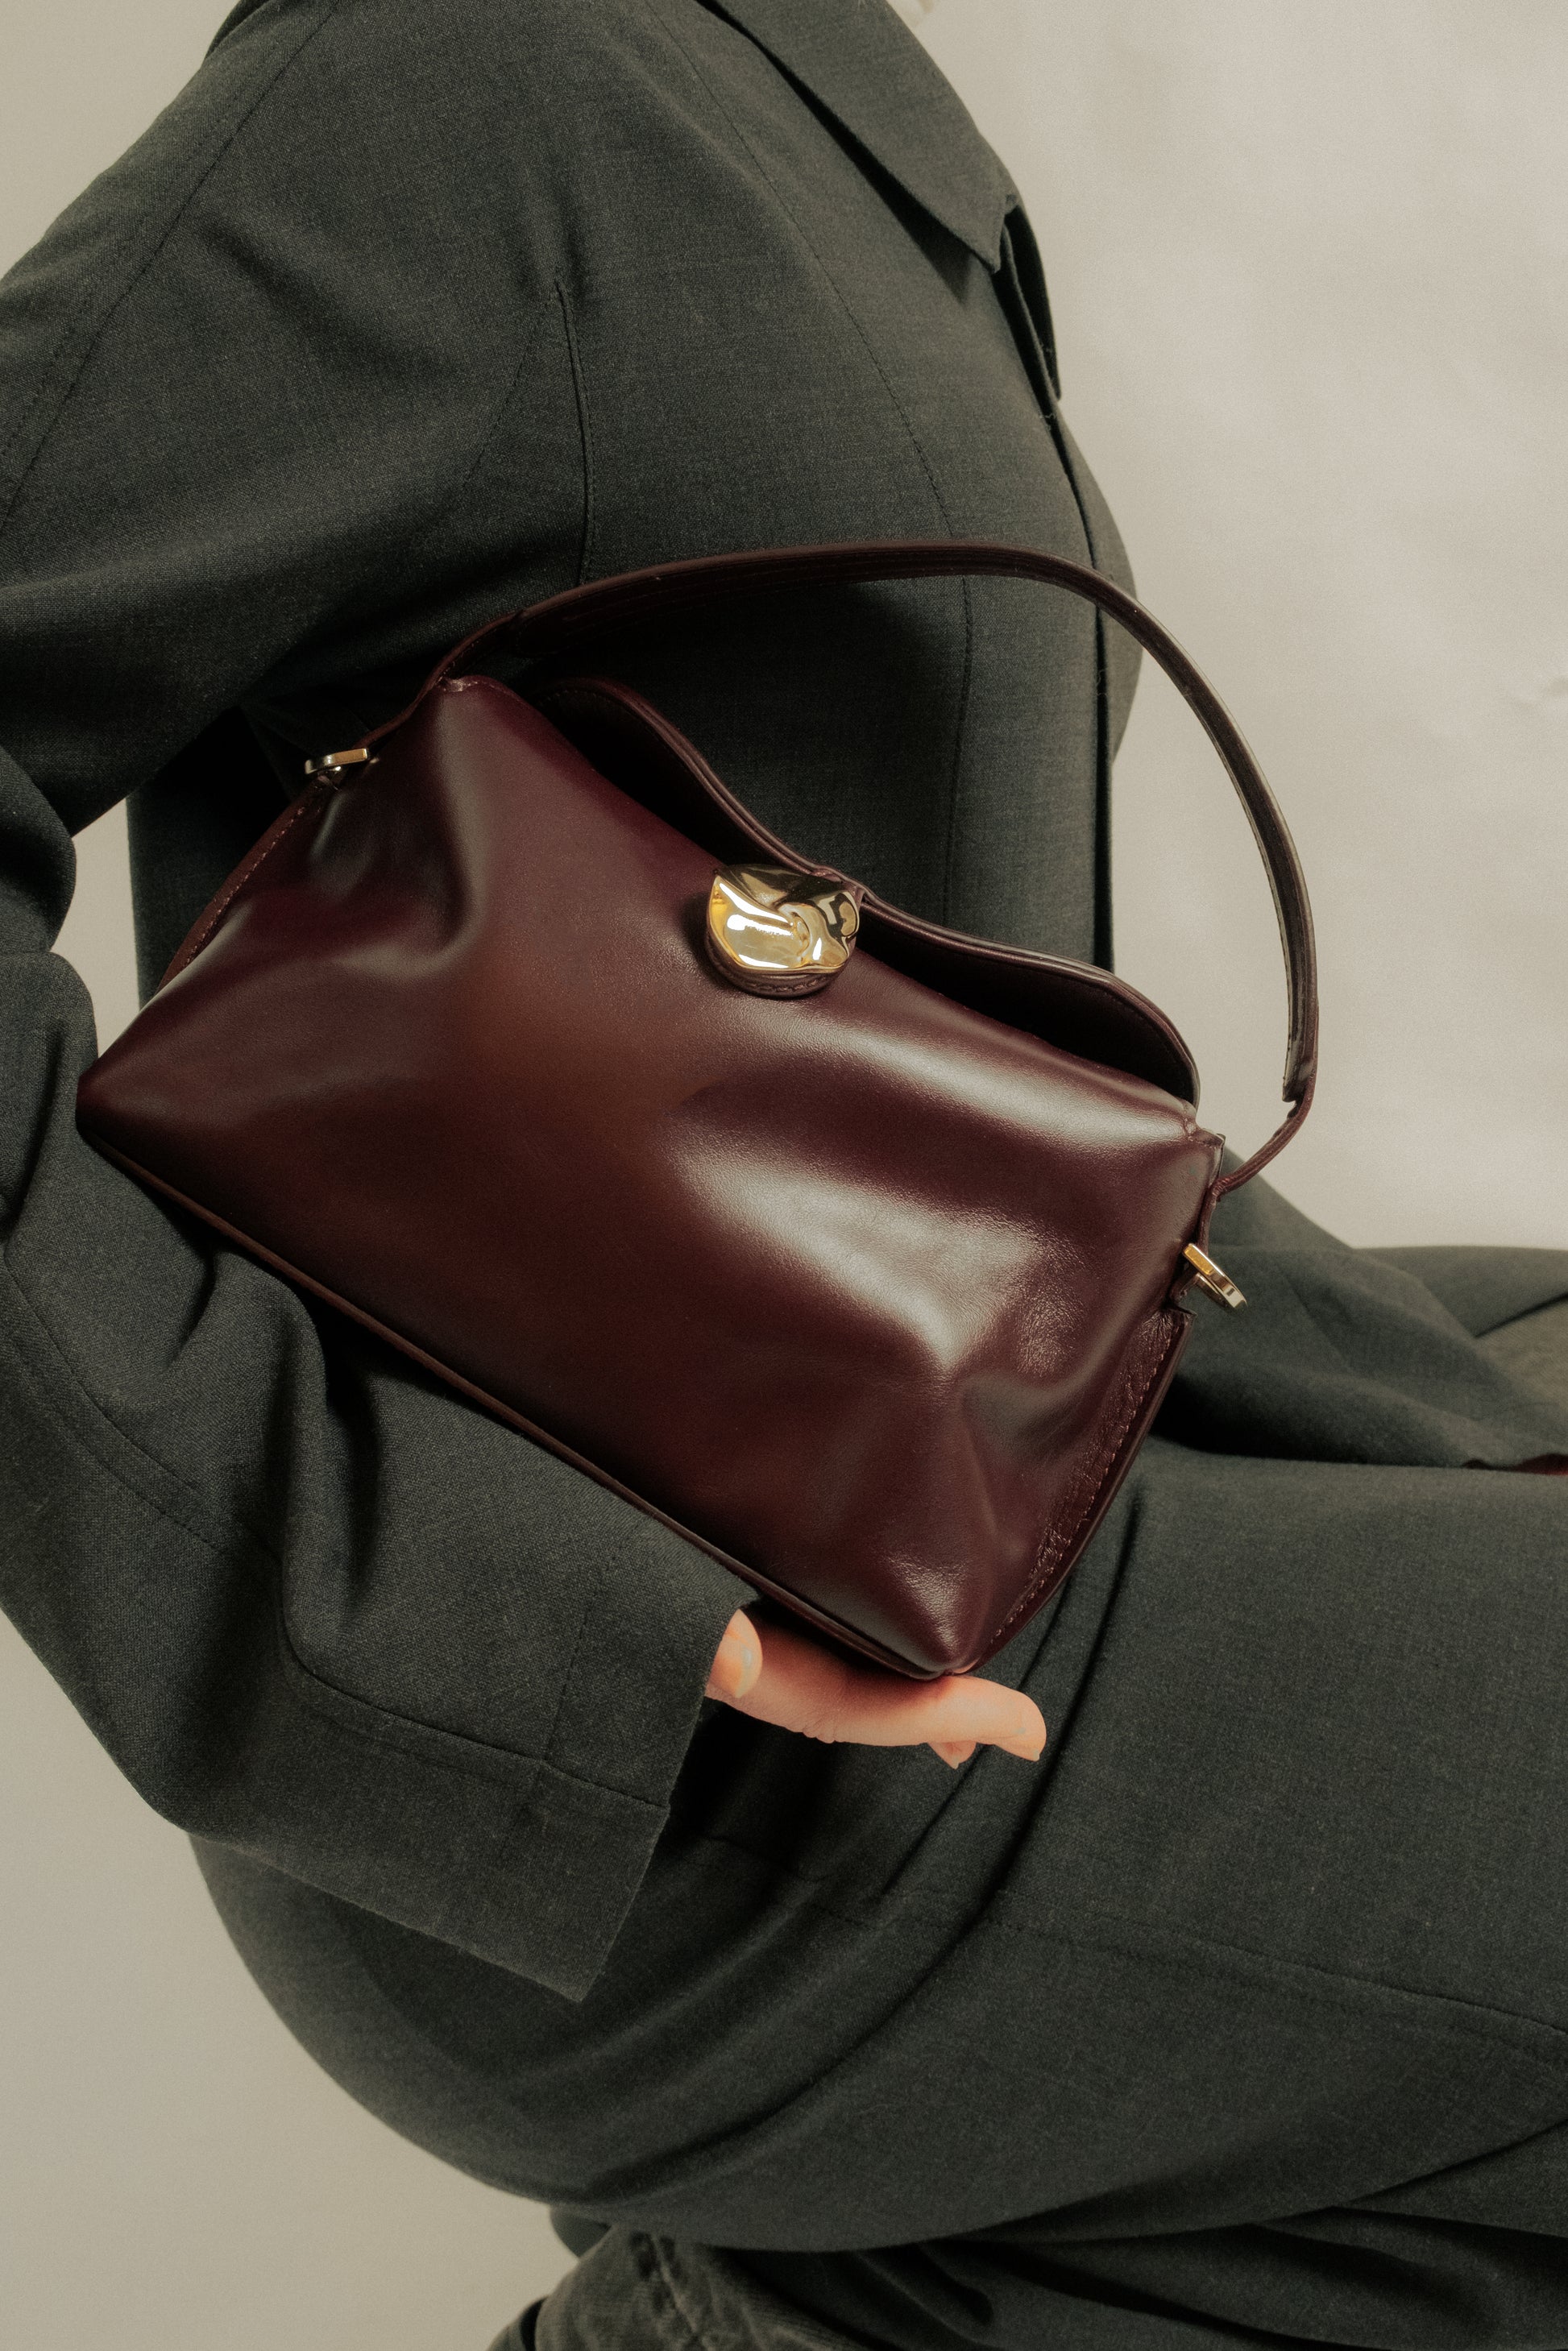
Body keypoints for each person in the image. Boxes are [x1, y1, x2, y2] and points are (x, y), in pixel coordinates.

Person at [2, 4, 1565, 2345]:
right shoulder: (458, 87)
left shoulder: (785, 89)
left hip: (948, 1480)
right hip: (676, 1752)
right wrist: (405, 1586)